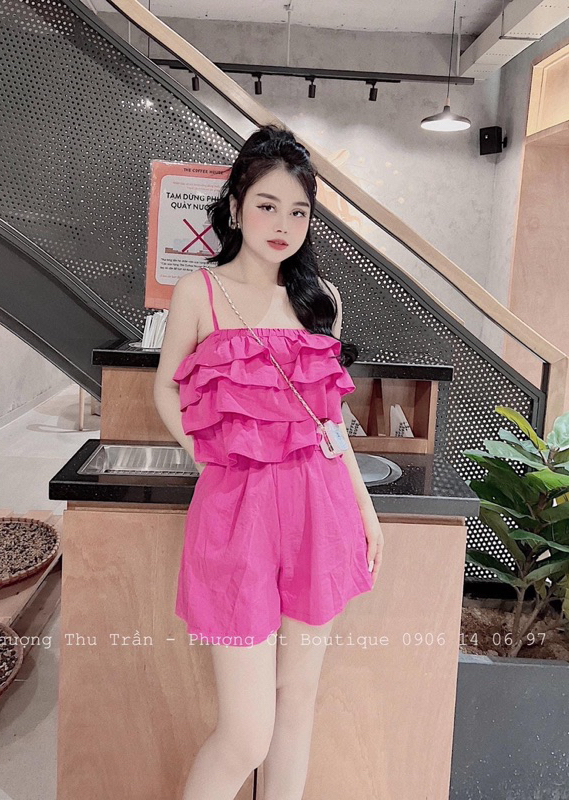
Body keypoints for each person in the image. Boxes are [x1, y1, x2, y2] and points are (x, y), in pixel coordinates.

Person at [154, 124, 384, 800]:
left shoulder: (321, 300)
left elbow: (330, 419)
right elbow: (165, 387)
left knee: (297, 702)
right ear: (235, 207)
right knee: (246, 734)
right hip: (238, 511)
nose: (283, 224)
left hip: (321, 506)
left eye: (298, 211)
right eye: (267, 205)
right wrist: (206, 457)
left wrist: (365, 510)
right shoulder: (201, 292)